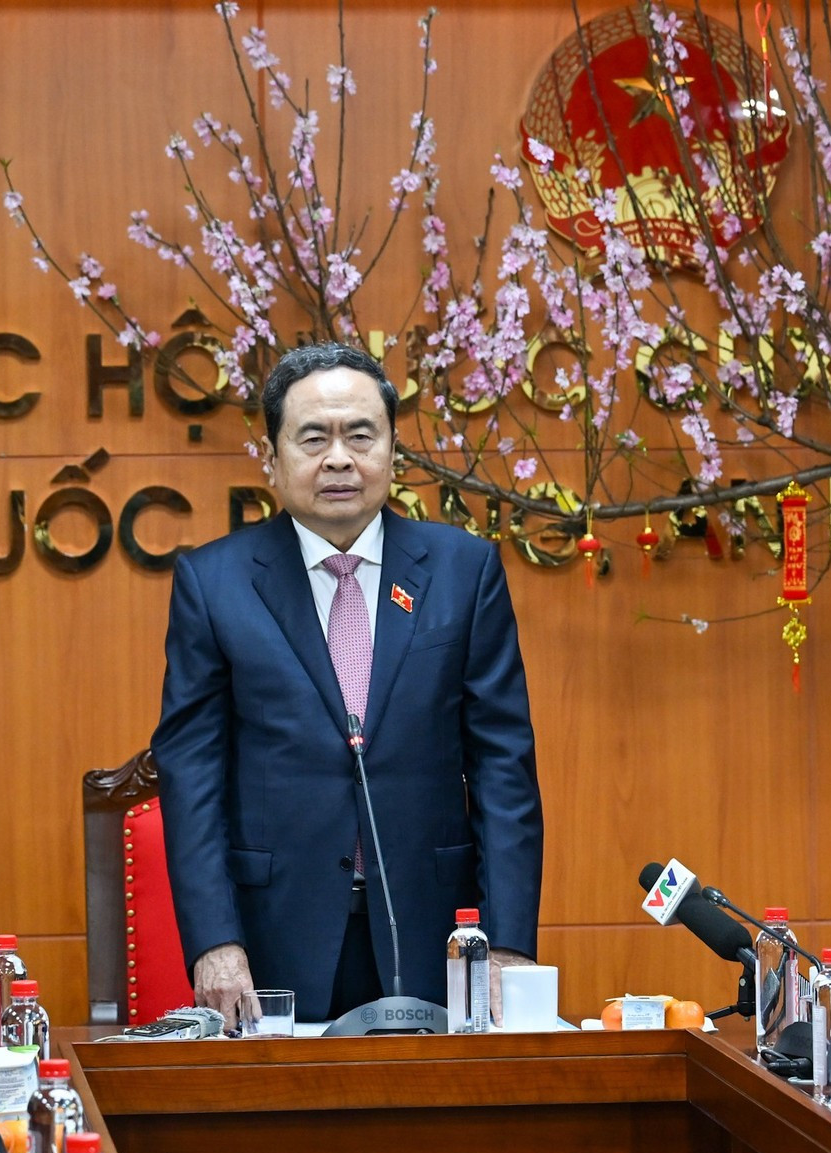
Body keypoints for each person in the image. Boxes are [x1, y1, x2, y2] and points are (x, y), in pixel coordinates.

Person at [153, 342, 544, 1026]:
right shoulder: (214, 584)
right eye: (313, 438)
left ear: (393, 452)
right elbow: (192, 776)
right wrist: (217, 942)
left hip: (432, 930)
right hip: (273, 933)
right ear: (272, 459)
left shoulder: (464, 571)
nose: (339, 458)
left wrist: (507, 943)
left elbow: (503, 768)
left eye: (361, 436)